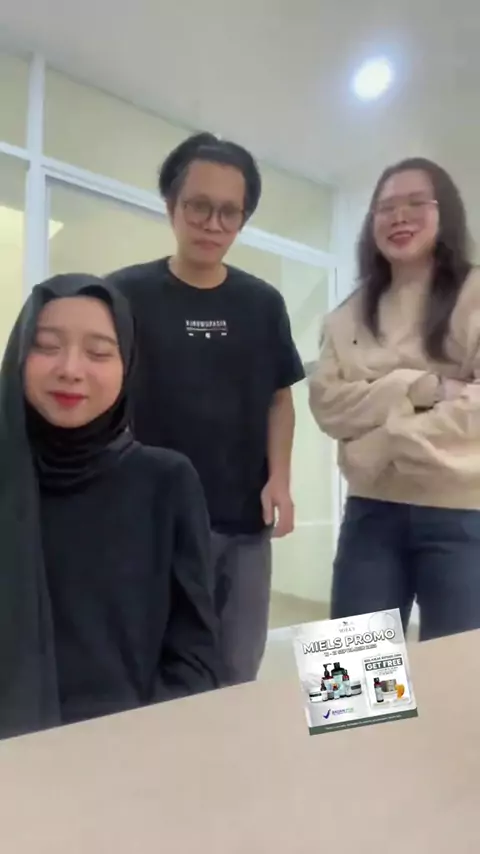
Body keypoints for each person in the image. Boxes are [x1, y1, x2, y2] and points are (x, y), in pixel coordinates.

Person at [108, 132, 304, 684]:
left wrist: (280, 479)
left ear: (243, 218)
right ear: (171, 204)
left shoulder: (262, 303)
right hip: (150, 524)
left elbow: (280, 397)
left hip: (242, 525)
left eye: (229, 212)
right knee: (150, 667)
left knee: (238, 667)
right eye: (198, 206)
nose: (213, 224)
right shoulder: (124, 295)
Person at [0, 273, 219, 740]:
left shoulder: (165, 481)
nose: (70, 369)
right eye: (46, 346)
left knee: (360, 707)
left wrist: (135, 746)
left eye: (98, 353)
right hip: (10, 756)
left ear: (127, 365)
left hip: (125, 747)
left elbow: (195, 656)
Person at [309, 156, 480, 642]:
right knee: (350, 676)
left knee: (463, 676)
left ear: (445, 211)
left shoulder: (475, 293)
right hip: (370, 511)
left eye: (415, 203)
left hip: (465, 512)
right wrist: (423, 387)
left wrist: (377, 441)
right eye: (385, 207)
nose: (399, 217)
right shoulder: (346, 314)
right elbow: (328, 405)